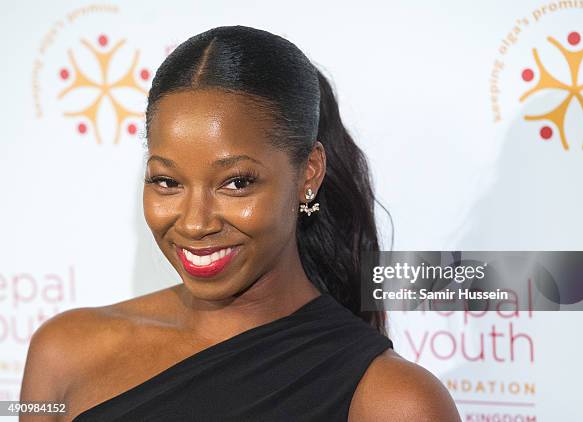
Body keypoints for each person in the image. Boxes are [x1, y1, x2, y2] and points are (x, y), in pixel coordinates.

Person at [19, 25, 460, 421]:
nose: (195, 223)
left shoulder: (395, 402)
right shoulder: (61, 351)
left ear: (308, 173)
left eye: (236, 182)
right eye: (167, 181)